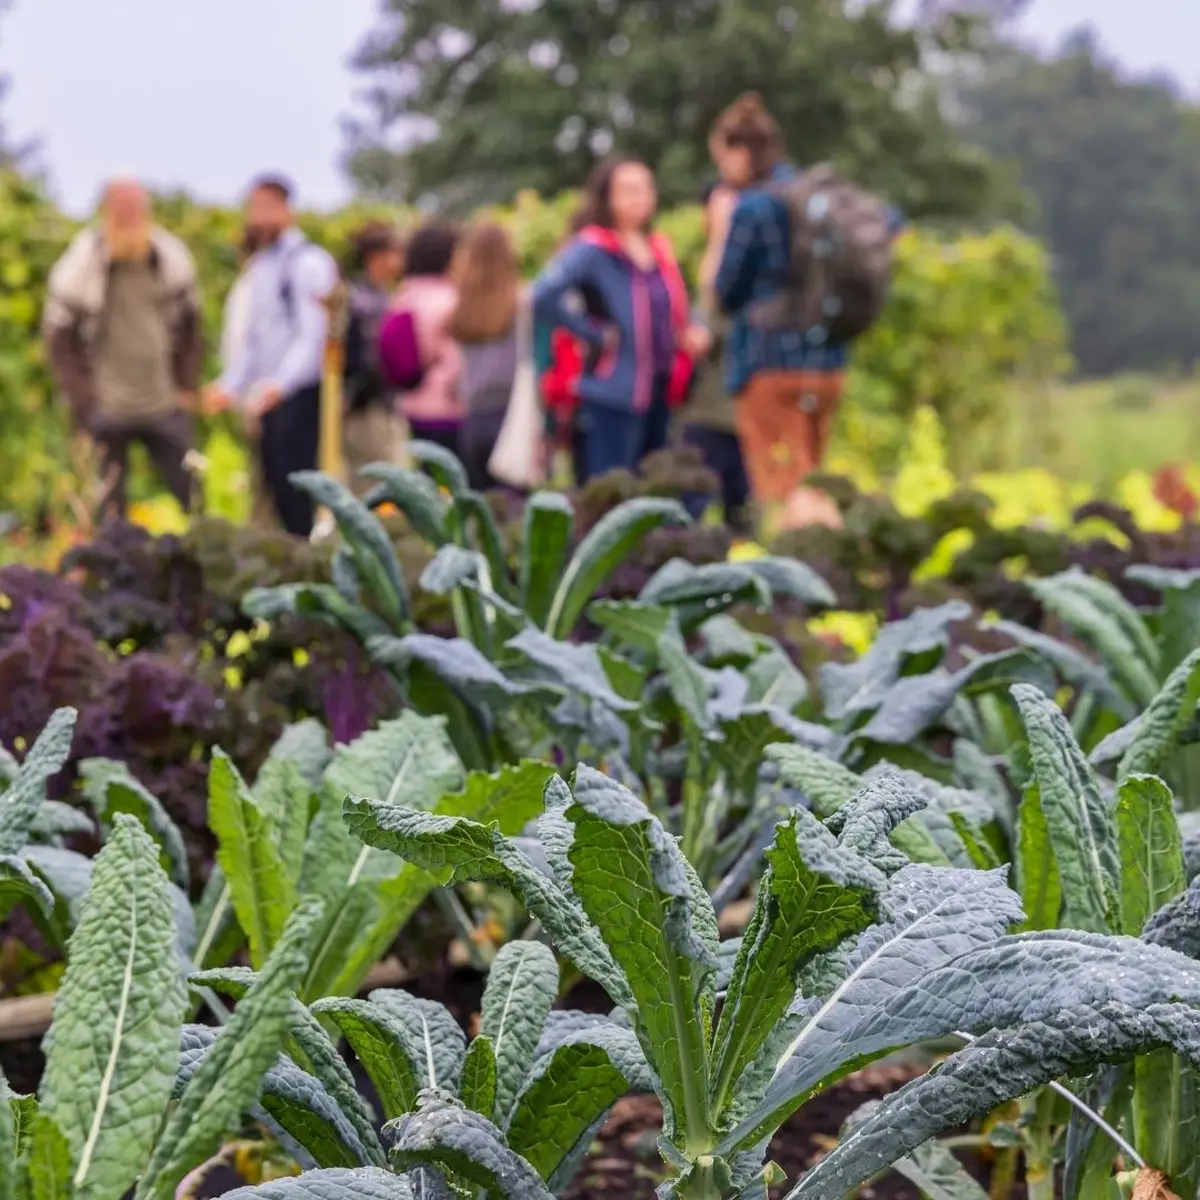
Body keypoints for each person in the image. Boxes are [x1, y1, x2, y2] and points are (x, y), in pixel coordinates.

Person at [707, 92, 900, 528]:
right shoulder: (818, 195)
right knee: (812, 483)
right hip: (827, 361)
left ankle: (810, 564)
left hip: (768, 366)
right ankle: (833, 557)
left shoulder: (754, 207)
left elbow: (725, 293)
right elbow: (891, 221)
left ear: (739, 154)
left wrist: (719, 231)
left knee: (782, 493)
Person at [532, 158, 706, 483]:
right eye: (628, 190)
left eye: (645, 189)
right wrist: (594, 333)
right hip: (611, 389)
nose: (639, 198)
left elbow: (677, 304)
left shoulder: (657, 248)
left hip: (660, 388)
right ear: (607, 197)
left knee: (654, 486)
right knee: (610, 488)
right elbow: (543, 294)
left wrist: (690, 331)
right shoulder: (593, 247)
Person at [42, 176, 204, 519]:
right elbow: (59, 340)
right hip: (106, 405)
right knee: (107, 507)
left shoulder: (169, 258)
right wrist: (85, 400)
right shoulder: (80, 265)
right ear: (106, 211)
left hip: (163, 400)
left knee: (191, 494)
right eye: (122, 207)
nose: (130, 215)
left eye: (137, 207)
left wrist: (186, 385)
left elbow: (192, 325)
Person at [205, 175, 339, 537]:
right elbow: (253, 339)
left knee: (300, 493)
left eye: (267, 208)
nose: (258, 218)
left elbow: (312, 336)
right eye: (253, 209)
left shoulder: (309, 263)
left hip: (298, 397)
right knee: (273, 491)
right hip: (265, 399)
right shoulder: (261, 266)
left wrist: (280, 385)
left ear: (287, 210)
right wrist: (230, 385)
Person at [681, 181, 750, 533]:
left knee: (743, 516)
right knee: (690, 510)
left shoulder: (754, 269)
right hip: (706, 408)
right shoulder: (697, 262)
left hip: (740, 410)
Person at [448, 220, 524, 490]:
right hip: (511, 413)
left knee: (482, 501)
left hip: (474, 414)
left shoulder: (463, 303)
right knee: (515, 503)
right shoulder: (520, 302)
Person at [382, 220, 463, 455]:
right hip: (447, 407)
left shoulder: (402, 296)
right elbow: (457, 360)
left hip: (413, 403)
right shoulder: (450, 299)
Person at [343, 221, 407, 493]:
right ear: (375, 258)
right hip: (367, 408)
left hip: (381, 405)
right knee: (376, 484)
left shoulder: (380, 295)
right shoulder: (362, 302)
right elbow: (367, 361)